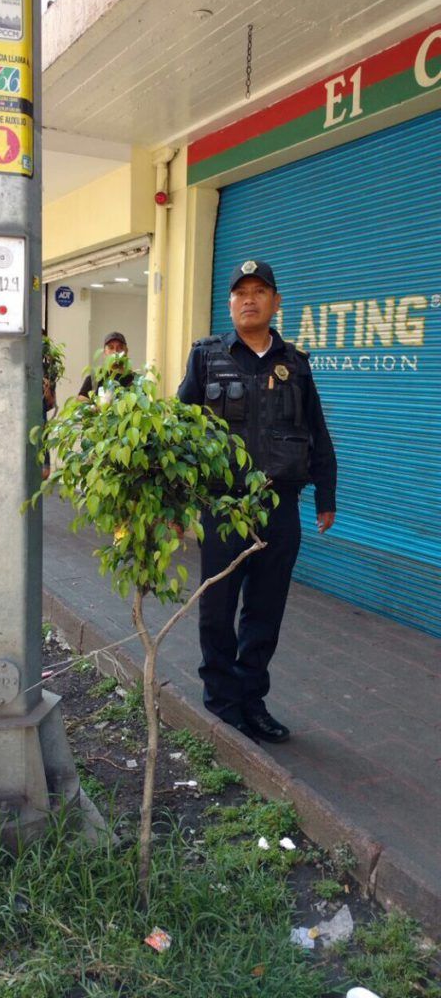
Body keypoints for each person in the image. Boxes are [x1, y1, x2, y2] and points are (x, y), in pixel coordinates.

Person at [178, 259, 336, 744]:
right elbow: (179, 432)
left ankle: (252, 700)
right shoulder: (206, 356)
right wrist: (173, 503)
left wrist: (326, 494)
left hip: (279, 506)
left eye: (259, 291)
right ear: (230, 303)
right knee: (217, 608)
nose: (249, 299)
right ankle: (222, 703)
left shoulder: (296, 364)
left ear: (276, 302)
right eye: (240, 292)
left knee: (265, 611)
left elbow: (316, 429)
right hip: (222, 505)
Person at [77, 331, 134, 401]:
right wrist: (98, 406)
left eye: (120, 347)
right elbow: (81, 403)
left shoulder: (135, 380)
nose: (115, 351)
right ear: (104, 353)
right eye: (111, 348)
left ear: (126, 351)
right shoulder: (94, 379)